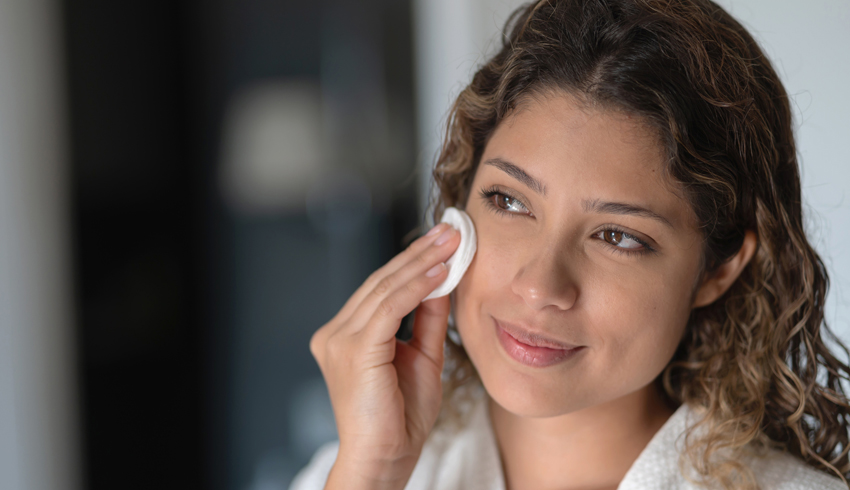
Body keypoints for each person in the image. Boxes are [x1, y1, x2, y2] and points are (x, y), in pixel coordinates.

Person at [291, 0, 850, 488]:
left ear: (717, 272)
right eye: (510, 202)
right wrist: (372, 477)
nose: (539, 286)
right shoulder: (351, 474)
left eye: (617, 236)